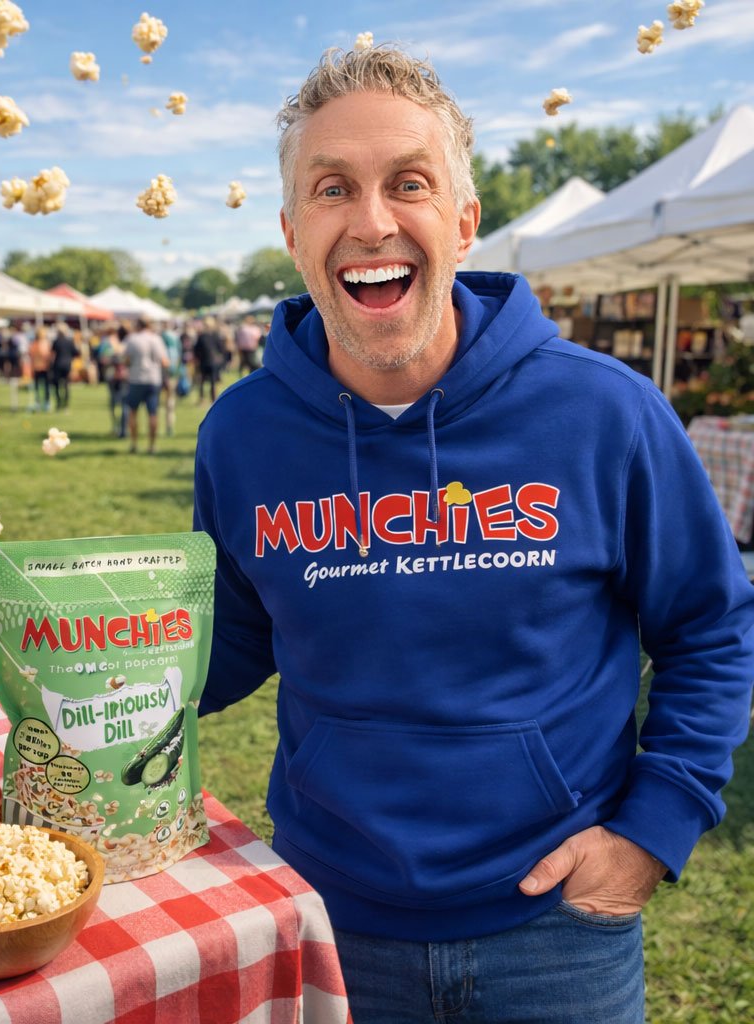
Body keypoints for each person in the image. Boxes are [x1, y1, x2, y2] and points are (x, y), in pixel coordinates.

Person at [192, 46, 754, 1024]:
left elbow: (710, 627)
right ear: (291, 231)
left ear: (462, 220)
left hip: (557, 932)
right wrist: (66, 683)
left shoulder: (604, 413)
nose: (372, 221)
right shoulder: (242, 435)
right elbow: (232, 638)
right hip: (330, 915)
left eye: (408, 183)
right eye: (333, 189)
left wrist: (652, 831)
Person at [123, 316, 168, 454]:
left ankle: (134, 444)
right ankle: (152, 445)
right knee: (153, 413)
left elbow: (126, 360)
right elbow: (165, 362)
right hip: (153, 379)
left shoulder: (132, 339)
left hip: (136, 379)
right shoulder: (156, 339)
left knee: (133, 412)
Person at [193, 316, 227, 403]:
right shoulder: (212, 335)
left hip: (207, 361)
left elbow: (196, 350)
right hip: (209, 361)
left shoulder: (204, 336)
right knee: (209, 381)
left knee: (206, 381)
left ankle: (206, 398)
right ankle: (209, 398)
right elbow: (221, 348)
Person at [50, 322, 78, 411]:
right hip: (67, 365)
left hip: (57, 365)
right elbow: (76, 353)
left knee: (57, 385)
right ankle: (66, 404)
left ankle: (59, 403)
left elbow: (52, 353)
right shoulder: (70, 341)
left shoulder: (56, 342)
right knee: (66, 385)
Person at [28, 326, 52, 412]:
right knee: (41, 387)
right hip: (40, 367)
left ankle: (44, 403)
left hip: (42, 367)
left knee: (43, 387)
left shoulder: (37, 343)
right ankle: (41, 403)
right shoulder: (38, 343)